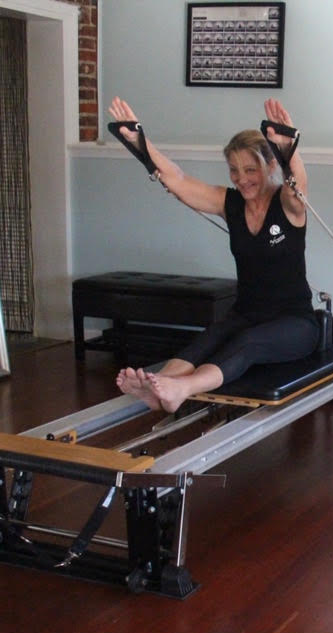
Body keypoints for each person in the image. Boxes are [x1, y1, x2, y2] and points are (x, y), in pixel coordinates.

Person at [109, 96, 319, 413]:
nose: (242, 178)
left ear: (271, 164)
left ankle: (181, 389)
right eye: (234, 170)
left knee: (246, 344)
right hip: (245, 313)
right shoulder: (229, 203)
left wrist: (289, 149)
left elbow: (297, 183)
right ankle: (155, 388)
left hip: (295, 322)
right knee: (205, 342)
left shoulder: (288, 204)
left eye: (251, 169)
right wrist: (139, 140)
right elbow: (177, 179)